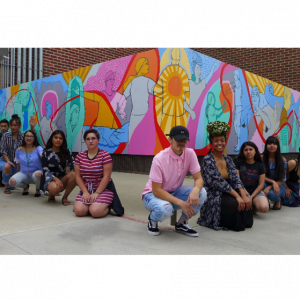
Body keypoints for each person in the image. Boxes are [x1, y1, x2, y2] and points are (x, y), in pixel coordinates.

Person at [142, 126, 207, 237]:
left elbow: (199, 179)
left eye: (184, 140)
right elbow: (157, 190)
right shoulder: (159, 158)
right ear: (170, 139)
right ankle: (152, 219)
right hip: (152, 194)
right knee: (165, 209)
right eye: (178, 139)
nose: (181, 143)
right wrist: (181, 203)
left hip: (175, 191)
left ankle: (182, 223)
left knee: (202, 193)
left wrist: (196, 190)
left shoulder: (190, 154)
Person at [198, 121, 253, 232]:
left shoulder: (228, 159)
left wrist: (243, 194)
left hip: (228, 191)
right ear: (211, 143)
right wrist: (237, 196)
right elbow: (219, 183)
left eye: (222, 140)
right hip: (213, 193)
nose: (220, 143)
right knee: (236, 203)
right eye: (216, 141)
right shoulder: (208, 160)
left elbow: (235, 178)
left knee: (246, 202)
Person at [74, 129, 116, 218]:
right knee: (79, 211)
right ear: (85, 141)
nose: (91, 141)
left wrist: (97, 193)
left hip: (103, 189)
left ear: (98, 140)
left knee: (95, 212)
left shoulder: (105, 155)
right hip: (87, 188)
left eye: (93, 138)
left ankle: (107, 206)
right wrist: (85, 192)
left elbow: (107, 176)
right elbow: (77, 176)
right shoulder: (80, 156)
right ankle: (92, 204)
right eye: (88, 139)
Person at [0, 114, 36, 194]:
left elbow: (32, 138)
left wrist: (32, 127)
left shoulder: (23, 136)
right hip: (5, 161)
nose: (13, 127)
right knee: (7, 166)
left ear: (19, 126)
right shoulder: (6, 135)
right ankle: (6, 187)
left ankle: (24, 186)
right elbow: (3, 150)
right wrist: (8, 161)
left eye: (15, 125)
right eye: (12, 125)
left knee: (13, 185)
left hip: (17, 163)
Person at [40, 130, 77, 206]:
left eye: (61, 138)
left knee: (74, 175)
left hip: (62, 179)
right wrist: (55, 179)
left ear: (63, 140)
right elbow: (45, 170)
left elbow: (73, 165)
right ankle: (51, 194)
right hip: (49, 179)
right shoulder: (45, 152)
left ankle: (65, 197)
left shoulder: (67, 152)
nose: (58, 140)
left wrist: (75, 179)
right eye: (56, 137)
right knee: (54, 189)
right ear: (52, 139)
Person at [235, 142, 269, 214]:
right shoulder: (238, 163)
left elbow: (261, 185)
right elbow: (237, 181)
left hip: (255, 192)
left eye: (251, 149)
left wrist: (251, 197)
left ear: (255, 151)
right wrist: (246, 194)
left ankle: (254, 204)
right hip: (241, 191)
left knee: (264, 208)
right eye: (246, 150)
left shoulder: (260, 165)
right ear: (242, 152)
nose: (248, 152)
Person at [9, 130, 43, 197]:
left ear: (34, 138)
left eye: (31, 136)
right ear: (24, 138)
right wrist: (18, 175)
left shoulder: (38, 148)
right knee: (12, 182)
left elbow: (43, 156)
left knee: (38, 175)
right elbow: (18, 163)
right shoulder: (19, 150)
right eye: (27, 136)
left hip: (36, 174)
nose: (29, 138)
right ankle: (25, 186)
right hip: (24, 174)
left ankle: (38, 188)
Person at [262, 136, 287, 210]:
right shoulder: (261, 158)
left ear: (278, 146)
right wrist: (272, 182)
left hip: (279, 184)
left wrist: (270, 187)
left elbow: (282, 179)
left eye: (274, 144)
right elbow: (261, 176)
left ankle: (278, 200)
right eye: (269, 143)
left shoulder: (282, 160)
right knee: (258, 183)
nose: (272, 145)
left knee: (273, 195)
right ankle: (264, 201)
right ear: (266, 145)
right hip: (265, 182)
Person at [0, 119, 9, 187]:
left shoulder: (11, 137)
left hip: (9, 157)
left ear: (8, 127)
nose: (3, 128)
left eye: (5, 126)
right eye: (1, 126)